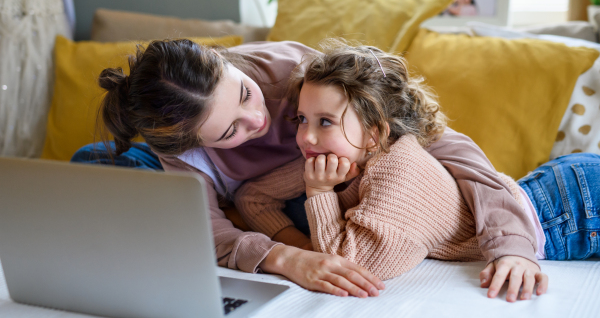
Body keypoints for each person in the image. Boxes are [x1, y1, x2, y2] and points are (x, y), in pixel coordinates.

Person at [88, 38, 544, 300]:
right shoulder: (180, 146)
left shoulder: (294, 71)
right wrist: (286, 256)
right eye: (229, 132)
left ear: (227, 63)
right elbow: (211, 229)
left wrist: (511, 239)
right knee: (91, 162)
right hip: (262, 198)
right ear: (191, 147)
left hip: (324, 191)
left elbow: (433, 141)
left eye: (246, 94)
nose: (259, 119)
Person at [233, 40, 600, 302]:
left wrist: (319, 194)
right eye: (302, 119)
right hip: (548, 192)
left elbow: (350, 264)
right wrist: (299, 247)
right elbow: (252, 197)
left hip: (568, 213)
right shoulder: (329, 157)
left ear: (375, 132)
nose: (305, 136)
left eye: (325, 121)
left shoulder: (398, 169)